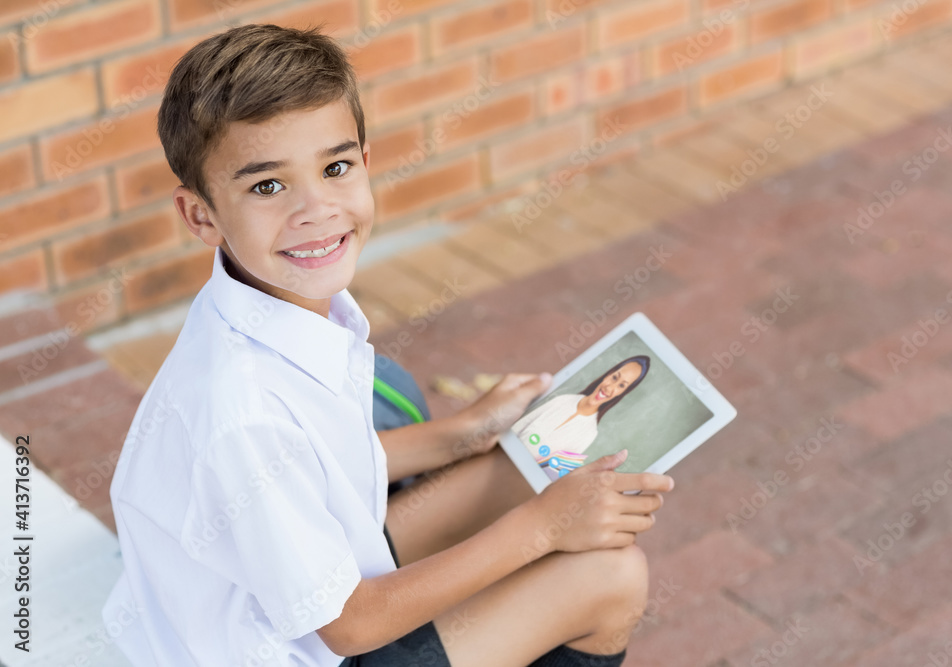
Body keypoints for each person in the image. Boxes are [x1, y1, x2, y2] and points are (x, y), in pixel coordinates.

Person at [101, 24, 674, 667]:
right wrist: (542, 531)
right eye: (268, 186)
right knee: (610, 577)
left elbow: (314, 464)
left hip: (296, 588)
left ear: (365, 162)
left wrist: (460, 432)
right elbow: (345, 627)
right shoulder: (240, 408)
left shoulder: (265, 305)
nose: (315, 208)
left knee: (518, 465)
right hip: (311, 645)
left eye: (335, 167)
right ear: (201, 214)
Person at [513, 357, 650, 479]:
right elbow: (516, 428)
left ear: (622, 393)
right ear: (608, 375)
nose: (610, 387)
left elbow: (553, 473)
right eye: (614, 378)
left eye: (621, 386)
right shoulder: (562, 400)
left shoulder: (589, 433)